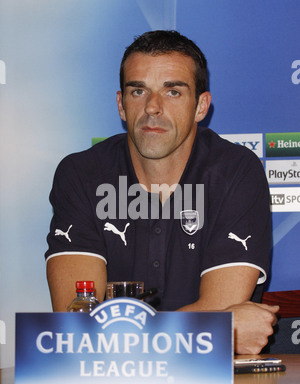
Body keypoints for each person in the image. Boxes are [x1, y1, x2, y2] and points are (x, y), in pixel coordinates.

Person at [45, 30, 279, 354]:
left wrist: (121, 332)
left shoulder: (235, 172)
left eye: (173, 92)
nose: (152, 107)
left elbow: (222, 308)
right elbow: (79, 329)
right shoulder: (81, 175)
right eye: (138, 90)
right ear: (121, 104)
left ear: (201, 106)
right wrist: (219, 329)